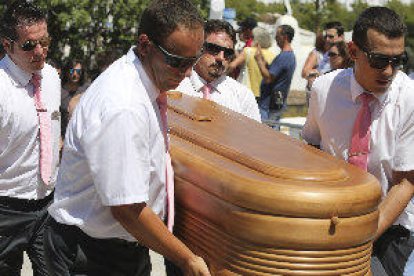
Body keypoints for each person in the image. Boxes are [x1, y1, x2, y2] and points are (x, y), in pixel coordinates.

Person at [44, 0, 211, 275]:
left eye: (194, 60)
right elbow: (126, 207)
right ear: (145, 45)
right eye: (178, 62)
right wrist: (187, 259)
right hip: (91, 255)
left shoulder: (143, 81)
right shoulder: (124, 106)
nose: (189, 72)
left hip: (119, 245)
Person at [301, 7, 414, 276]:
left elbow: (406, 182)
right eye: (378, 60)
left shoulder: (409, 98)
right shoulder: (323, 90)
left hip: (392, 227)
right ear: (353, 52)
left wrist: (360, 239)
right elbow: (310, 149)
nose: (389, 71)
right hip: (332, 221)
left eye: (398, 61)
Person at [0, 1, 61, 275]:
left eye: (44, 41)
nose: (39, 52)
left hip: (47, 204)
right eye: (28, 45)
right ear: (7, 45)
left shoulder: (50, 76)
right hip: (5, 209)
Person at [177, 19, 261, 122]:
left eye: (228, 53)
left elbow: (252, 135)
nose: (221, 58)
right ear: (198, 47)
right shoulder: (175, 85)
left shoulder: (242, 96)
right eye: (214, 49)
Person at [255, 24, 296, 126]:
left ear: (285, 37)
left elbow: (268, 78)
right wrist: (263, 60)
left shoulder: (284, 57)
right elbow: (273, 73)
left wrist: (259, 61)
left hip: (269, 105)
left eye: (277, 36)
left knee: (266, 133)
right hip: (274, 103)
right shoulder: (288, 56)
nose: (275, 38)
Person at [229, 27, 276, 100]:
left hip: (245, 92)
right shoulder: (272, 55)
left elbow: (232, 65)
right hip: (262, 94)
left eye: (252, 37)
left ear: (256, 39)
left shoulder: (248, 51)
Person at [60, 59, 89, 138]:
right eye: (72, 71)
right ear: (67, 72)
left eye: (78, 71)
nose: (75, 74)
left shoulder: (87, 90)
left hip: (82, 137)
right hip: (63, 137)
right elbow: (54, 114)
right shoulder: (59, 90)